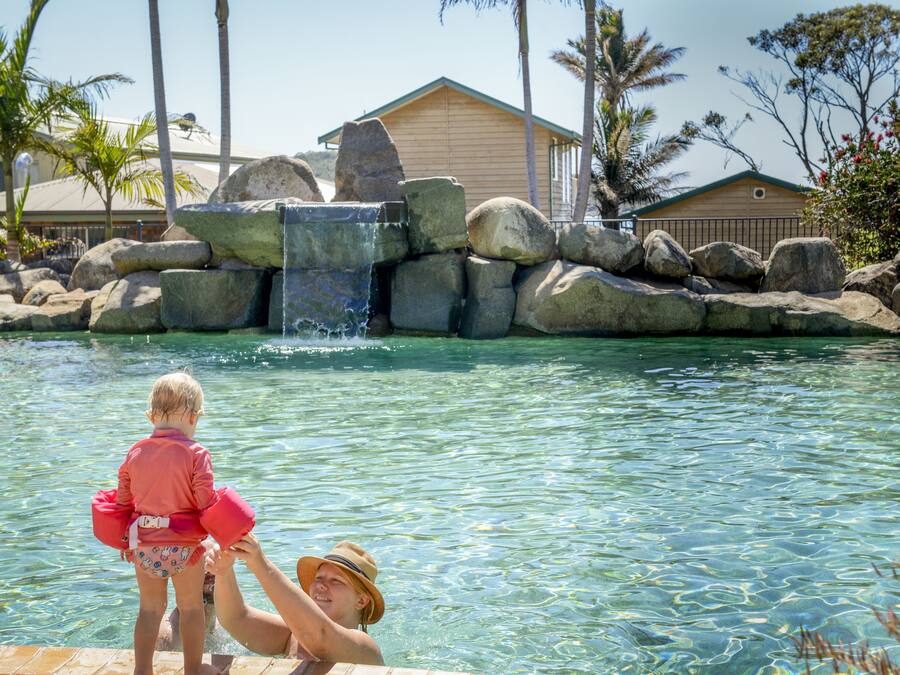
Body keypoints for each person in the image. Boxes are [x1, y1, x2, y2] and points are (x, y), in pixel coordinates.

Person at [116, 372, 218, 675]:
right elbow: (206, 504)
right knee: (191, 608)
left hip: (145, 544)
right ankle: (193, 669)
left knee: (149, 609)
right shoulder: (197, 454)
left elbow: (123, 501)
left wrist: (126, 539)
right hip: (186, 548)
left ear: (151, 416)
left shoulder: (135, 452)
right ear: (192, 416)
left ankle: (142, 670)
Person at [205, 536, 384, 669]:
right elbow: (236, 618)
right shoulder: (294, 636)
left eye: (336, 580)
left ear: (361, 601)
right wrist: (223, 573)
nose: (321, 585)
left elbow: (320, 637)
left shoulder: (365, 649)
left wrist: (260, 564)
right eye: (319, 577)